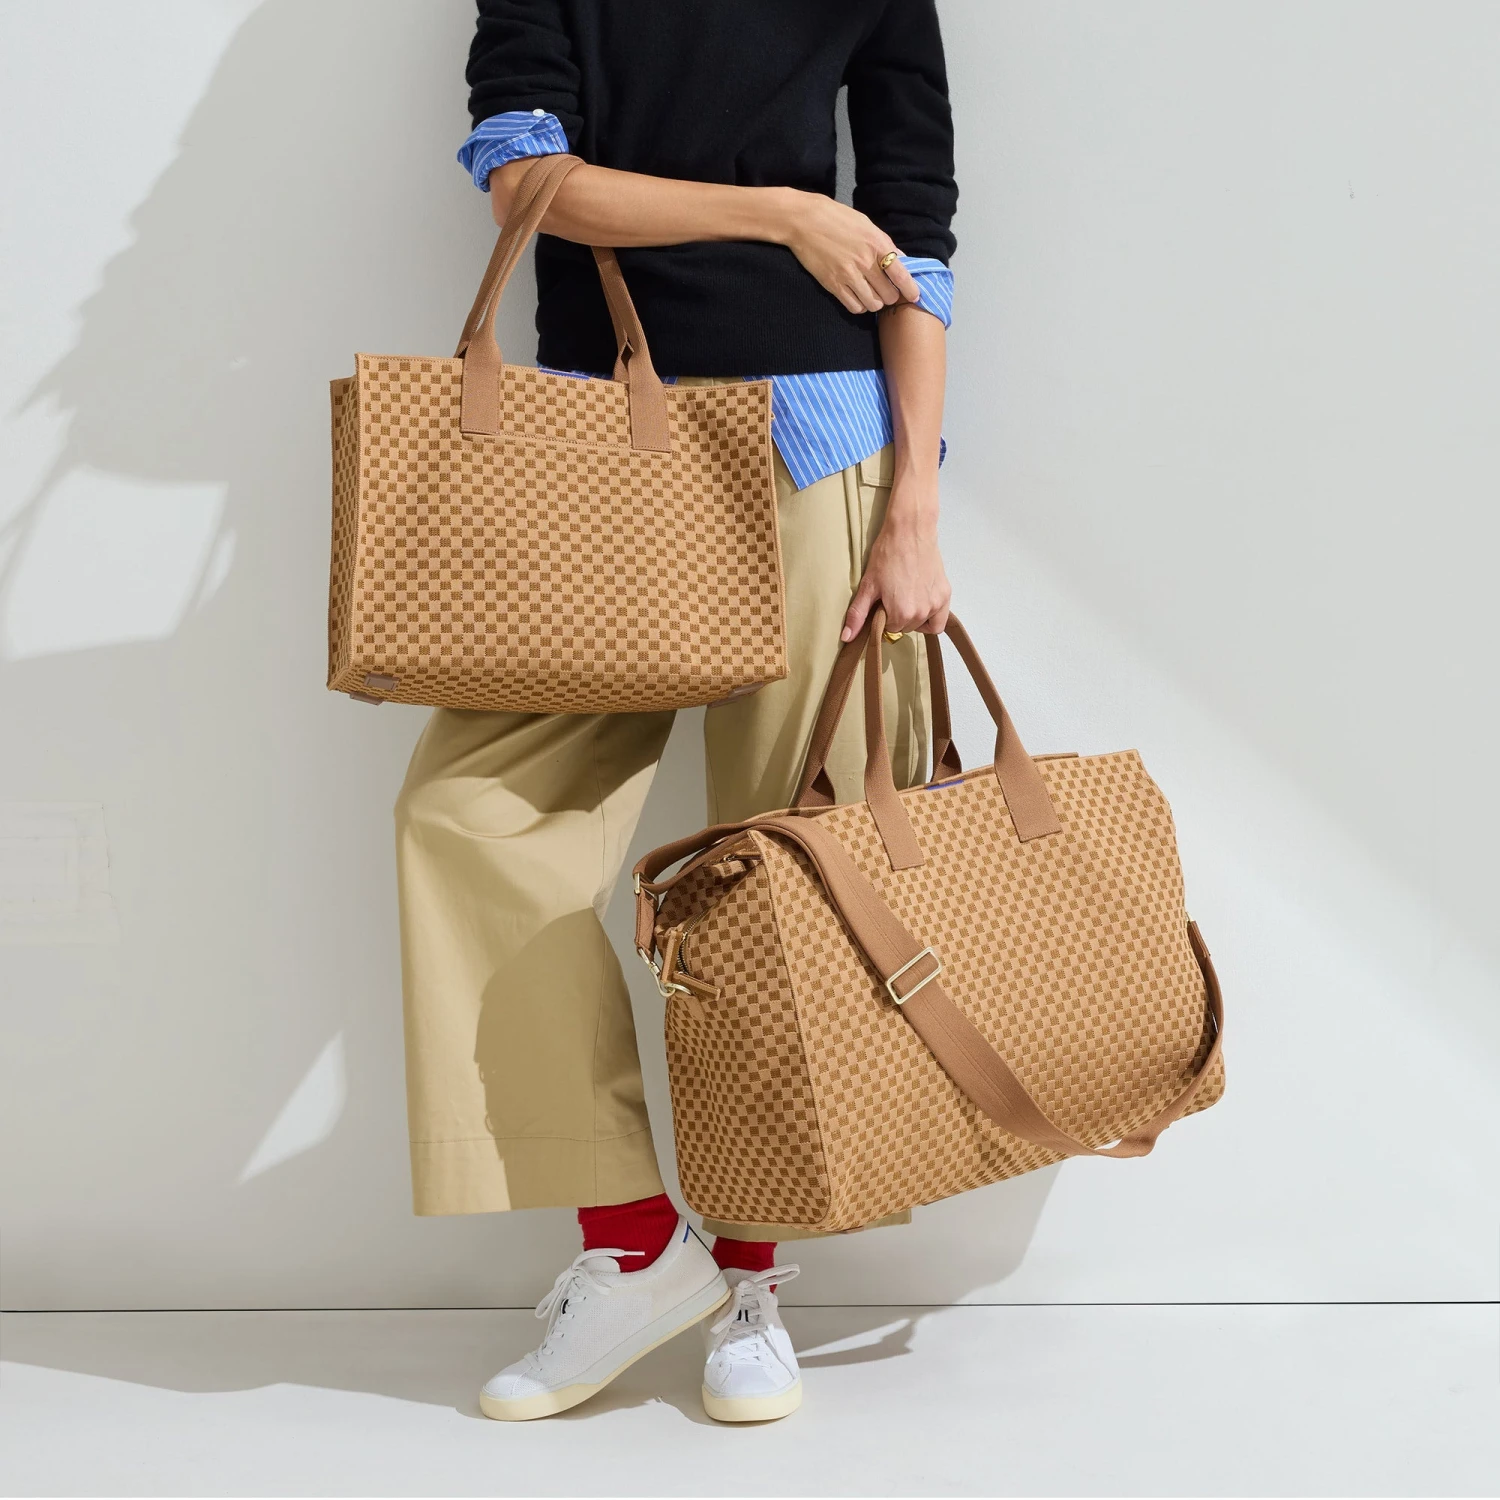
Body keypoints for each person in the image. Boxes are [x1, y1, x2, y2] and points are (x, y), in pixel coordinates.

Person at [394, 0, 957, 1423]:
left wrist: (916, 506)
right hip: (603, 453)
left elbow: (918, 236)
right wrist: (780, 211)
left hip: (825, 450)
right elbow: (528, 183)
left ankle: (753, 1278)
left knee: (793, 873)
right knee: (472, 819)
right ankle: (641, 1248)